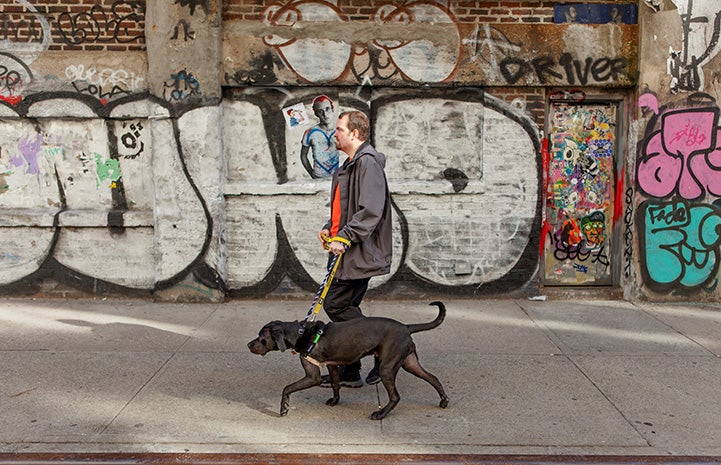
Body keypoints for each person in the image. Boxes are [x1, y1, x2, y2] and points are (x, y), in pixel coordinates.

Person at [317, 110, 393, 387]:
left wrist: (345, 236)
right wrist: (331, 227)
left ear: (355, 133)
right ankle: (351, 369)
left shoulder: (367, 163)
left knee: (336, 304)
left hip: (356, 250)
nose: (334, 134)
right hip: (344, 247)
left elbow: (370, 210)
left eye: (339, 129)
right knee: (346, 305)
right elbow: (348, 207)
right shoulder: (351, 164)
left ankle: (383, 349)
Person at [300, 95, 339, 178]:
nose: (325, 114)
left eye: (327, 109)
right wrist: (312, 174)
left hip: (338, 177)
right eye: (320, 111)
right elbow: (303, 155)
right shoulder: (310, 133)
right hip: (319, 177)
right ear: (316, 114)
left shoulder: (340, 130)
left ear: (333, 109)